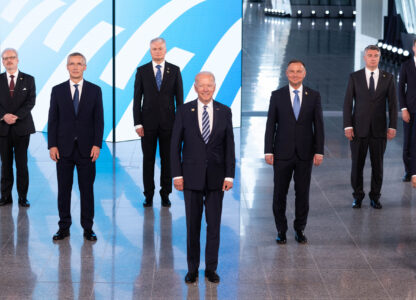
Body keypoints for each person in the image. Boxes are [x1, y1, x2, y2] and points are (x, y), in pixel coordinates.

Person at [170, 72, 235, 284]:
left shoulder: (224, 111)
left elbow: (229, 146)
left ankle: (211, 269)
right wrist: (177, 175)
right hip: (190, 177)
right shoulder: (183, 111)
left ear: (215, 86)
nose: (205, 89)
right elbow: (174, 146)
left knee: (214, 225)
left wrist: (230, 175)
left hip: (217, 178)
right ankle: (192, 269)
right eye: (201, 85)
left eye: (209, 85)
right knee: (193, 226)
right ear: (195, 87)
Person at [264, 60, 324, 245]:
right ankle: (281, 230)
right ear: (286, 73)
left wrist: (319, 151)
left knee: (302, 193)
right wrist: (268, 150)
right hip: (282, 152)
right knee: (279, 193)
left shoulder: (313, 96)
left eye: (299, 71)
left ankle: (300, 229)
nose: (295, 74)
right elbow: (270, 125)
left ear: (304, 73)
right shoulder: (277, 95)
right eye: (292, 71)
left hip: (305, 154)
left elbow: (319, 126)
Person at [48, 52, 104, 241]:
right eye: (72, 63)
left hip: (87, 149)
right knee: (63, 190)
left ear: (85, 67)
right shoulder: (57, 90)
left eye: (79, 63)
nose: (75, 67)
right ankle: (63, 227)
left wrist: (97, 144)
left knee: (87, 190)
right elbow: (53, 119)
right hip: (63, 149)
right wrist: (52, 145)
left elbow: (99, 120)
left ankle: (88, 228)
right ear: (67, 66)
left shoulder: (95, 90)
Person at [343, 45, 397, 209]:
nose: (373, 58)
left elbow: (393, 105)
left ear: (379, 58)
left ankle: (375, 197)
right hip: (358, 129)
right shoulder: (355, 77)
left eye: (375, 55)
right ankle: (357, 196)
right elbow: (347, 103)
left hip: (379, 130)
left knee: (378, 165)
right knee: (356, 165)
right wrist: (347, 126)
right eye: (369, 55)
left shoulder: (388, 77)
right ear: (364, 57)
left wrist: (393, 126)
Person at [133, 37, 183, 208]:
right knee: (148, 160)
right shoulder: (142, 71)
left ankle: (165, 193)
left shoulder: (175, 70)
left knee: (167, 160)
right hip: (147, 125)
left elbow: (180, 101)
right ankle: (148, 194)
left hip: (169, 124)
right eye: (154, 49)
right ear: (150, 51)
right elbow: (137, 99)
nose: (158, 51)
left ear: (165, 49)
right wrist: (137, 123)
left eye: (160, 48)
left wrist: (180, 124)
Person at [0, 48, 36, 207]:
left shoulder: (28, 79)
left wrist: (16, 116)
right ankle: (6, 196)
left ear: (18, 60)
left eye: (12, 57)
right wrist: (4, 116)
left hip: (22, 127)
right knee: (5, 164)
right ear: (2, 61)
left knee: (22, 164)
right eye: (6, 58)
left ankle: (23, 197)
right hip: (3, 128)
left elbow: (31, 101)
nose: (9, 60)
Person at [398, 39, 416, 182]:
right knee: (408, 141)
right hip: (410, 109)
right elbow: (400, 89)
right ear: (413, 48)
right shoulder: (406, 65)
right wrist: (404, 109)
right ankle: (408, 171)